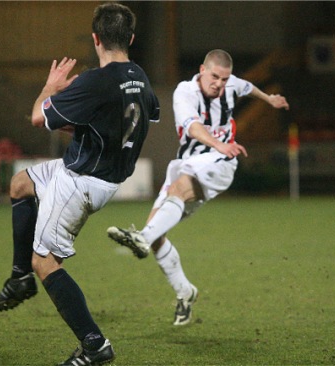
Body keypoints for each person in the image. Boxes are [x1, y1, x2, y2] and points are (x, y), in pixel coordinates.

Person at [0, 3, 160, 365]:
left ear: (95, 38)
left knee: (46, 261)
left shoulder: (94, 81)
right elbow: (139, 117)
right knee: (21, 184)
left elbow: (39, 117)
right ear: (129, 38)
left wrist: (49, 88)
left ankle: (94, 344)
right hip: (95, 173)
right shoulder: (141, 77)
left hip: (81, 180)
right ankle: (20, 278)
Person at [107, 49, 289, 326]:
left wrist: (269, 99)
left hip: (220, 162)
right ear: (203, 70)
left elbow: (247, 86)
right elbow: (191, 126)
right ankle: (185, 291)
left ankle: (140, 238)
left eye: (225, 79)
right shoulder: (185, 92)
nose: (220, 84)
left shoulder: (229, 86)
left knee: (177, 193)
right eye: (215, 77)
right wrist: (219, 142)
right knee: (158, 234)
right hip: (191, 161)